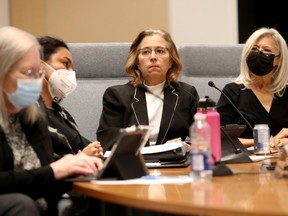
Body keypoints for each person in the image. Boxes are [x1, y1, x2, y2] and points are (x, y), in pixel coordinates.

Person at [0, 26, 103, 216]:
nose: (35, 82)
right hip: (18, 205)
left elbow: (44, 179)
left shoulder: (33, 115)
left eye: (38, 73)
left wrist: (76, 171)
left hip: (42, 203)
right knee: (20, 204)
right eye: (26, 73)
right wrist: (56, 171)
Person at [97, 29, 199, 152]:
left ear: (171, 61)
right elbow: (107, 141)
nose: (153, 57)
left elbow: (204, 139)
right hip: (134, 165)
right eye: (146, 52)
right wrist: (161, 149)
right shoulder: (117, 95)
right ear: (137, 62)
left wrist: (187, 146)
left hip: (173, 166)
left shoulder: (186, 94)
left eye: (160, 51)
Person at [216, 27, 288, 148]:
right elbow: (220, 138)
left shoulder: (286, 93)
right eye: (254, 49)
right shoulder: (232, 91)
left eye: (266, 50)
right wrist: (267, 142)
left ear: (278, 60)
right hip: (245, 162)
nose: (259, 53)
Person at [37, 36, 103, 159]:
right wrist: (80, 158)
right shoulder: (29, 113)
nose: (71, 72)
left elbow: (85, 145)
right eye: (65, 63)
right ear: (40, 64)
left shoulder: (61, 113)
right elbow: (39, 160)